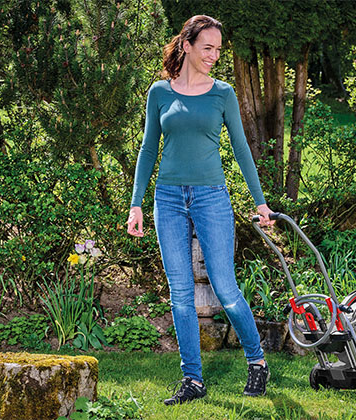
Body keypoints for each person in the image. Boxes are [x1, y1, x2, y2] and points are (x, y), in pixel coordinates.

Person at [126, 15, 275, 405]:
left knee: (225, 289)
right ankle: (192, 380)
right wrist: (136, 203)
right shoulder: (159, 92)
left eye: (218, 49)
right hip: (169, 199)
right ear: (187, 45)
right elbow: (147, 149)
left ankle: (257, 362)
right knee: (180, 294)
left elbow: (242, 150)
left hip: (211, 197)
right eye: (207, 48)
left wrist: (260, 202)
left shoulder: (222, 93)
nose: (214, 55)